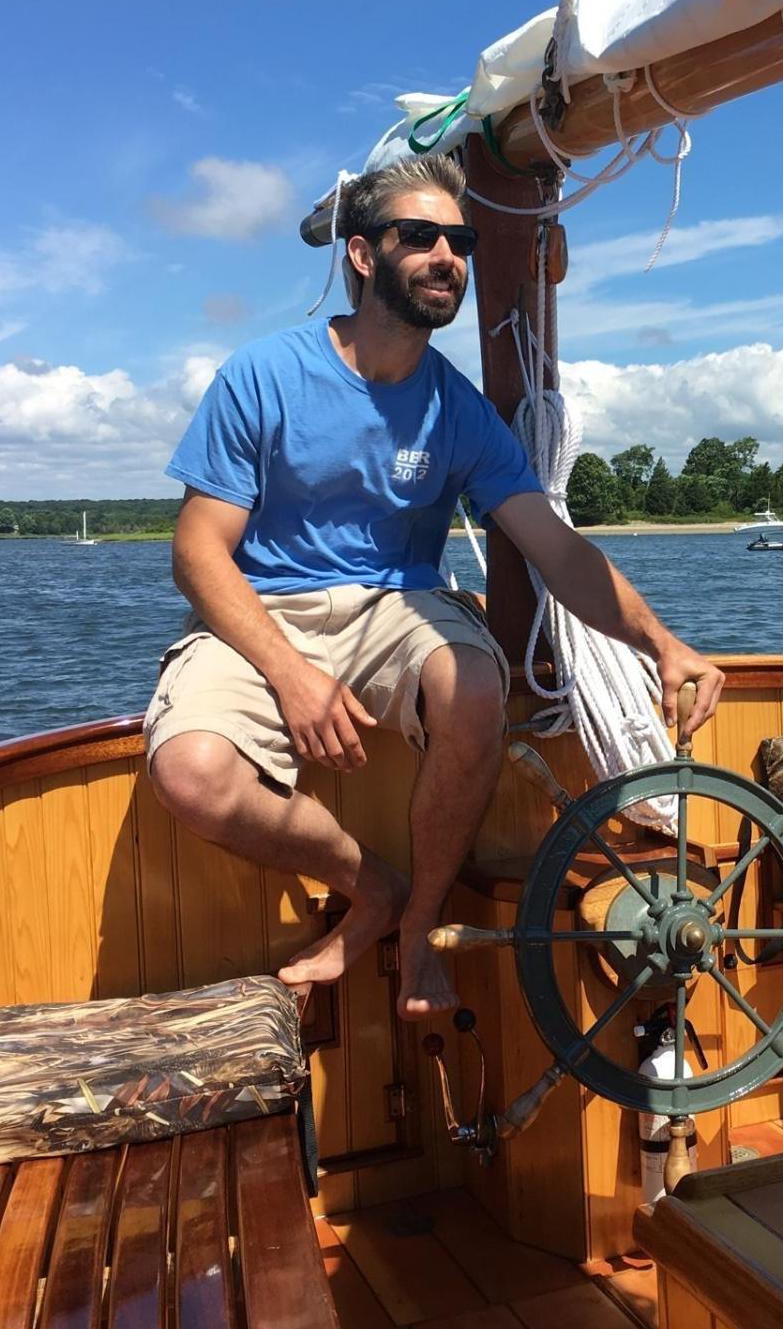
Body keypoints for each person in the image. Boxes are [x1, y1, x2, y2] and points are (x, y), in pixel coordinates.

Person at [145, 152, 724, 1021]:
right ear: (363, 256)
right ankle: (369, 886)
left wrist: (664, 645)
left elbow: (555, 550)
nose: (447, 256)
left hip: (394, 608)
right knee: (192, 773)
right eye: (420, 237)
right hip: (263, 607)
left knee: (474, 681)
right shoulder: (263, 376)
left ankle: (418, 925)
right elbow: (198, 554)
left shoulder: (457, 410)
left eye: (460, 241)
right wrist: (292, 674)